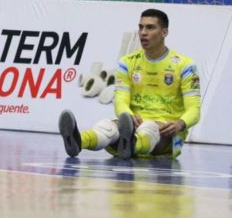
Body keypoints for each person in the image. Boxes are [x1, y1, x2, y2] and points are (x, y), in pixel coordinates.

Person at [58, 9, 201, 160]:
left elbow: (194, 109)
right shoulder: (127, 62)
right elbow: (120, 101)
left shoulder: (185, 65)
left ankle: (133, 144)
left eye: (150, 27)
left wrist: (180, 124)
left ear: (164, 32)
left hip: (168, 134)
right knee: (107, 127)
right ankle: (79, 141)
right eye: (141, 27)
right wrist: (128, 115)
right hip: (134, 126)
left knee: (149, 128)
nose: (143, 33)